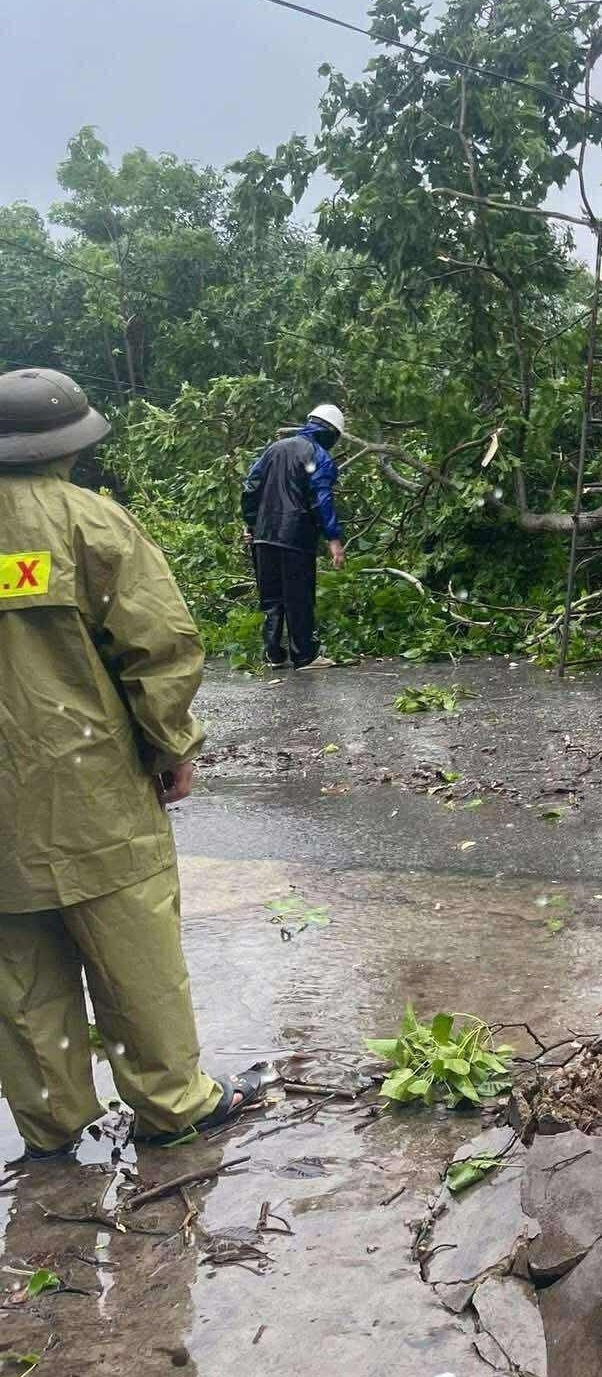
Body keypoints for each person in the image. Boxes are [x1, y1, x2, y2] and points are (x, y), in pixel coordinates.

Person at [0, 367, 273, 1160]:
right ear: (71, 448)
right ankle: (171, 1104)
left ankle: (51, 1124)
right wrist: (171, 746)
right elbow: (159, 650)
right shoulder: (95, 526)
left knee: (19, 972)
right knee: (134, 954)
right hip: (94, 792)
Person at [241, 403, 347, 669]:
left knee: (271, 597)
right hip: (296, 537)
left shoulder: (274, 449)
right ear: (331, 432)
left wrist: (252, 525)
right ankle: (305, 655)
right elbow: (322, 499)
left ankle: (274, 655)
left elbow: (250, 487)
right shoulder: (319, 455)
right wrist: (333, 538)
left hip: (264, 537)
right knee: (298, 596)